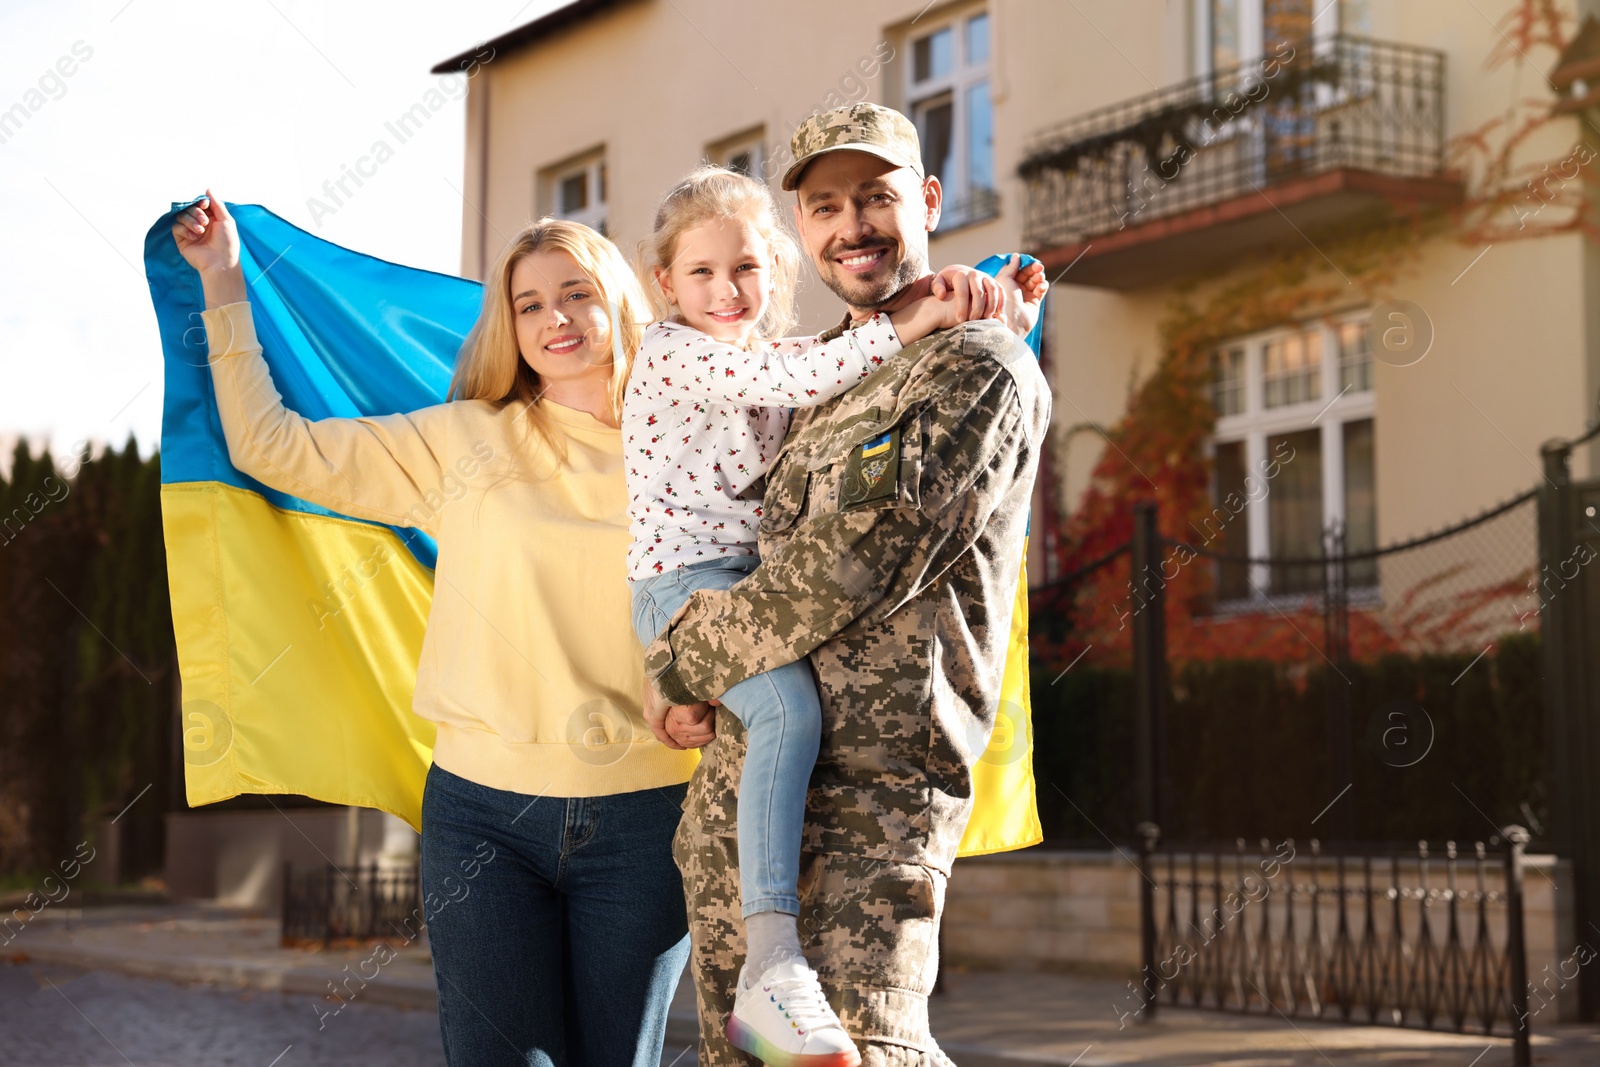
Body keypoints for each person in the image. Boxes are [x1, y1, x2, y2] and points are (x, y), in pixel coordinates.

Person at [171, 194, 710, 1067]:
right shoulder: (468, 442)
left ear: (619, 299)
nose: (555, 318)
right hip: (481, 816)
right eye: (529, 304)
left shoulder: (697, 444)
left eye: (575, 292)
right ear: (508, 327)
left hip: (650, 818)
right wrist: (225, 281)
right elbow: (275, 448)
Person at [642, 104, 1052, 1066]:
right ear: (802, 232)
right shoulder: (821, 378)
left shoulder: (974, 365)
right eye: (825, 206)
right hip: (739, 823)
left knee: (868, 1052)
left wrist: (680, 662)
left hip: (865, 821)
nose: (853, 225)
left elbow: (852, 565)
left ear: (929, 200)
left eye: (876, 196)